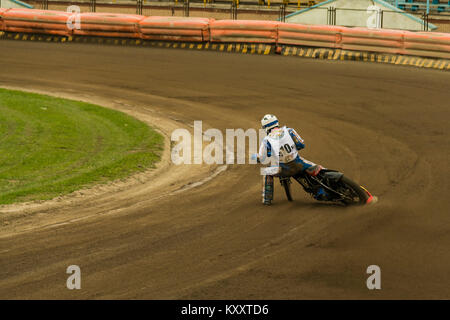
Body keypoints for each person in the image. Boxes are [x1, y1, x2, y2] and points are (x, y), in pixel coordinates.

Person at [255, 114, 326, 205]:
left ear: (265, 127)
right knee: (317, 167)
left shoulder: (266, 140)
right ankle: (323, 186)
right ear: (277, 122)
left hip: (282, 170)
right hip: (299, 164)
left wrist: (255, 157)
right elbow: (301, 144)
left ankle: (267, 199)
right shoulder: (289, 130)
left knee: (266, 172)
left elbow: (261, 158)